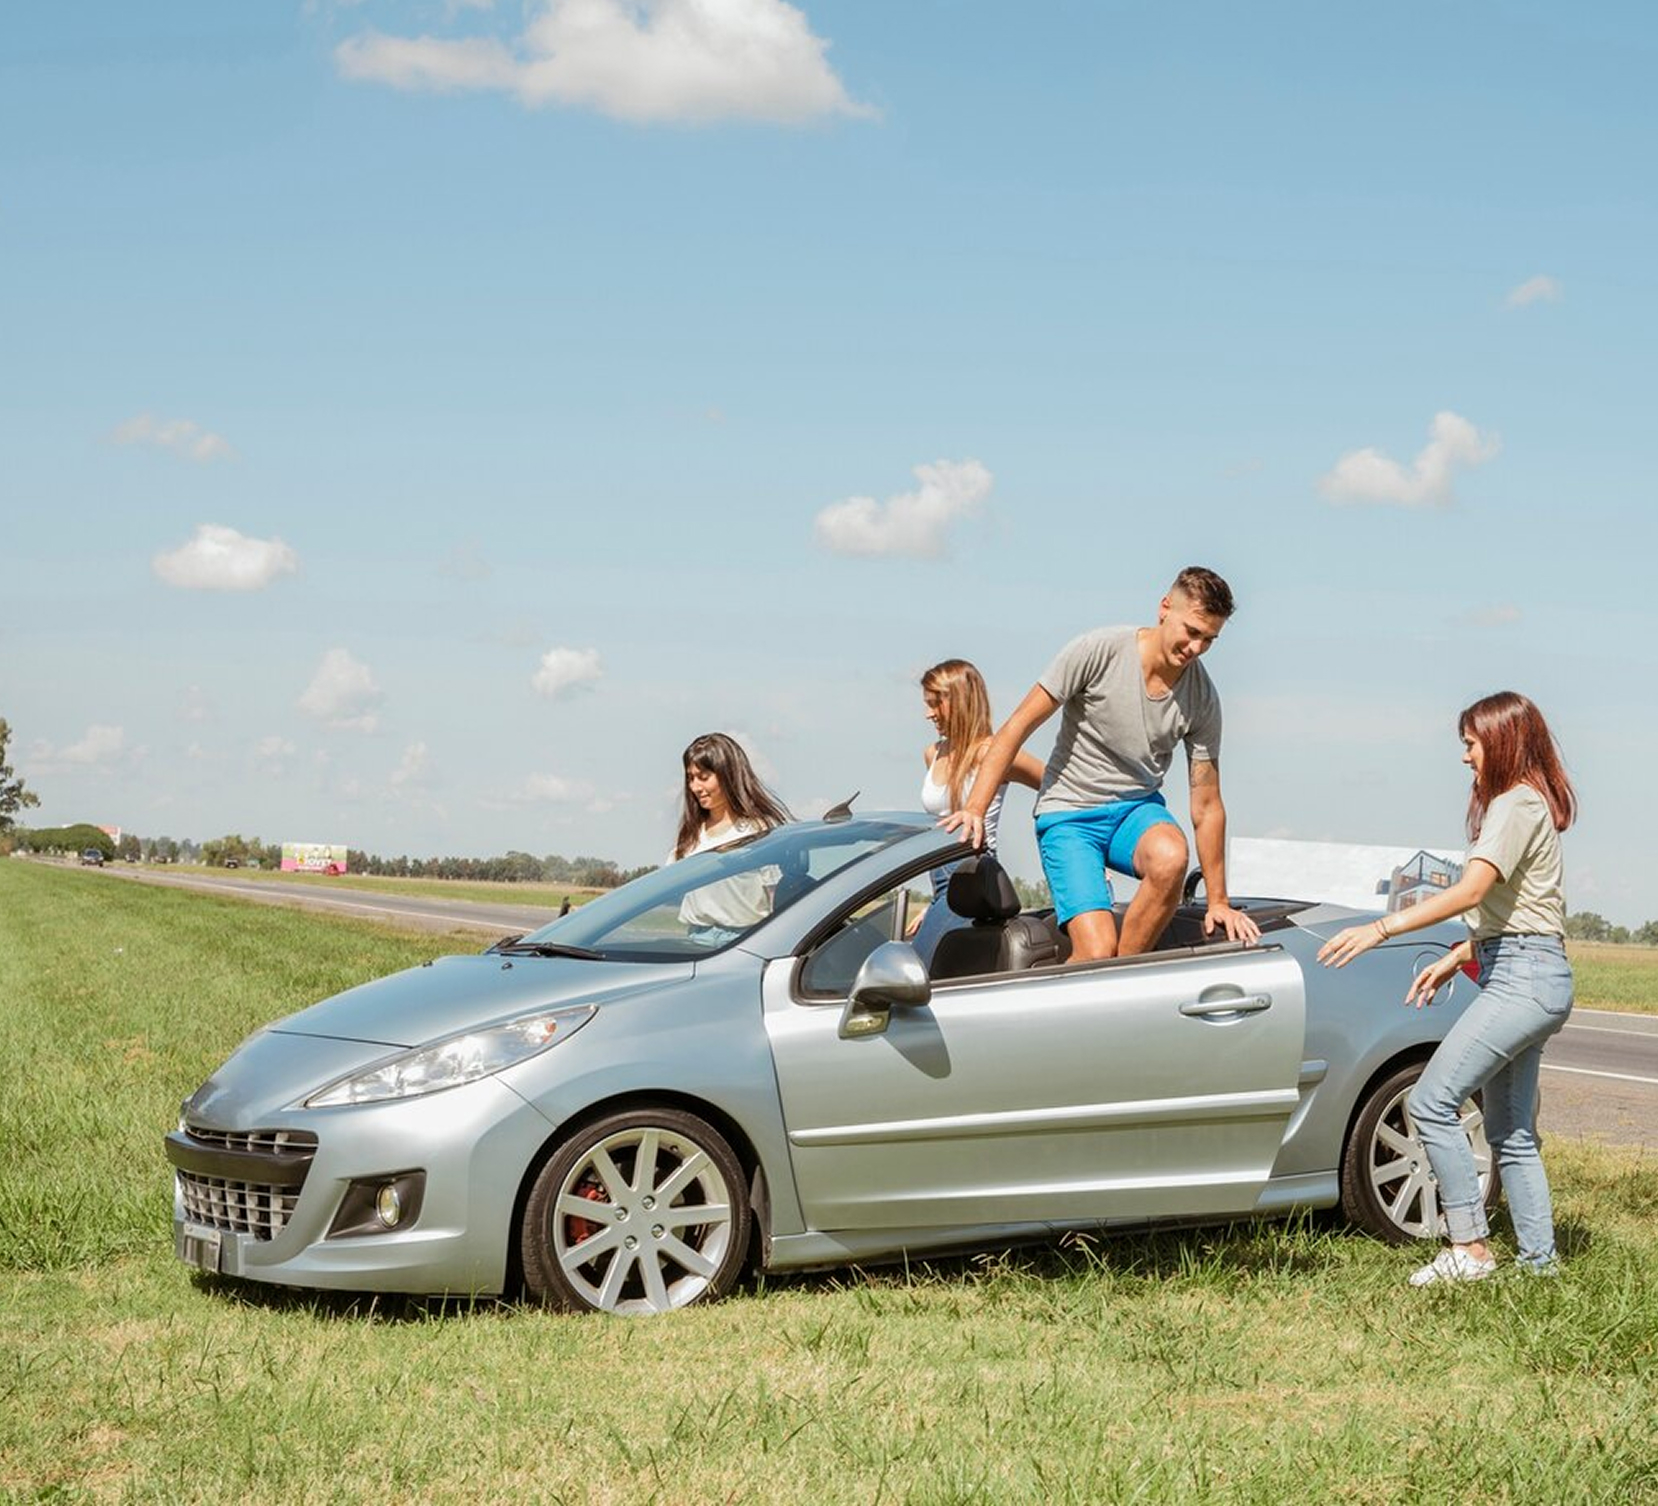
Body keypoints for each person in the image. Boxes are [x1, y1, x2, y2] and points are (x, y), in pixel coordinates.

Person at [1318, 691, 1577, 1286]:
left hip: (1521, 978)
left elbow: (1471, 891)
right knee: (1511, 1131)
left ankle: (1470, 1247)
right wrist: (1460, 955)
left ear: (1502, 741)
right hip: (1531, 971)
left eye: (1472, 744)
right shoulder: (1529, 803)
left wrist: (1382, 928)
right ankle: (1540, 1266)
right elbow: (1525, 912)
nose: (1466, 757)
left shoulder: (1514, 803)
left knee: (1432, 1101)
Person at [944, 566, 1259, 962]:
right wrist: (975, 807)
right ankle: (1085, 986)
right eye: (1192, 631)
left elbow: (1207, 804)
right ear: (1165, 608)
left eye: (1209, 639)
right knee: (1096, 951)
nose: (1196, 648)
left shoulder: (1203, 699)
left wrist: (1218, 900)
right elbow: (1016, 727)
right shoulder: (1098, 651)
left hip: (1134, 811)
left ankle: (1120, 979)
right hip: (1069, 815)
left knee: (1171, 857)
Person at [910, 659, 1044, 964]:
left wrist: (1077, 841)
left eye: (935, 703)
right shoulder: (933, 754)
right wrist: (935, 906)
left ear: (960, 701)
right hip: (940, 879)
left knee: (918, 968)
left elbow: (1056, 786)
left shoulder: (993, 753)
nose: (928, 713)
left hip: (973, 876)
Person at [671, 733, 791, 944]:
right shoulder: (691, 834)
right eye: (691, 778)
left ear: (728, 775)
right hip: (696, 938)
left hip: (745, 939)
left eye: (703, 777)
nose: (695, 787)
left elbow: (774, 893)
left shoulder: (758, 830)